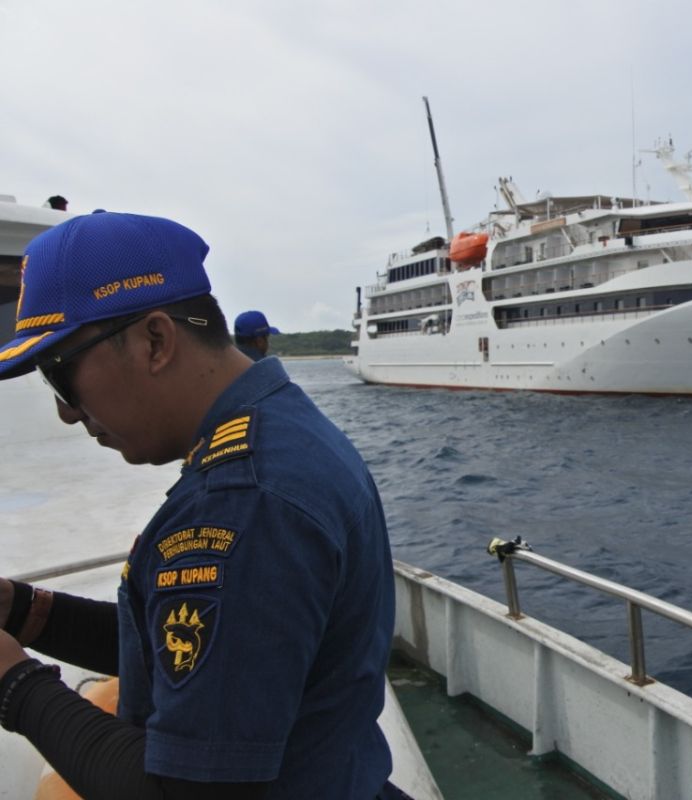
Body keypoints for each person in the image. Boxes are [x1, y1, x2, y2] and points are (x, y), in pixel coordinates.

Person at [0, 212, 404, 799]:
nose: (66, 412)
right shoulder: (279, 428)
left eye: (60, 374)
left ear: (156, 341)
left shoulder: (243, 503)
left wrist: (14, 684)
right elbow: (200, 650)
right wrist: (25, 610)